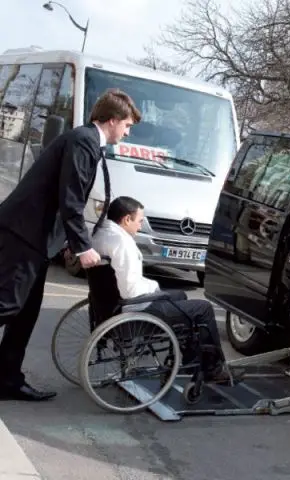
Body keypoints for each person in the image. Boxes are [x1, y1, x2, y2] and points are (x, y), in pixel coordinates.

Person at [0, 89, 141, 401]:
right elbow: (71, 201)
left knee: (25, 313)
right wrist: (82, 247)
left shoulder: (88, 142)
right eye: (128, 125)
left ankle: (6, 379)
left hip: (36, 237)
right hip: (24, 233)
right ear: (114, 120)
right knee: (8, 304)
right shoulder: (83, 141)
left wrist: (66, 241)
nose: (128, 132)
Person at [91, 196, 235, 385]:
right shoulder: (122, 243)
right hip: (135, 313)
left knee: (181, 296)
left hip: (108, 309)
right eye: (139, 221)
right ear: (126, 219)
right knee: (203, 309)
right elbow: (131, 291)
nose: (140, 226)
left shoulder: (100, 234)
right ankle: (212, 368)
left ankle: (192, 361)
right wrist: (154, 287)